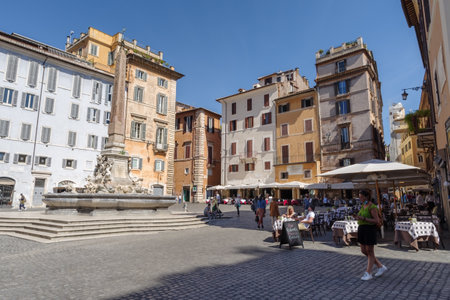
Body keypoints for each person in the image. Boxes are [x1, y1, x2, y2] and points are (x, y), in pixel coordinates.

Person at [355, 190, 387, 281]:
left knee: (370, 251)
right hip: (362, 228)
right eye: (359, 197)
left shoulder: (372, 207)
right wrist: (357, 217)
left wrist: (363, 218)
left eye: (361, 197)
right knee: (363, 250)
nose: (360, 198)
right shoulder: (363, 205)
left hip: (369, 229)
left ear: (366, 197)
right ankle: (380, 266)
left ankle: (368, 273)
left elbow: (376, 220)